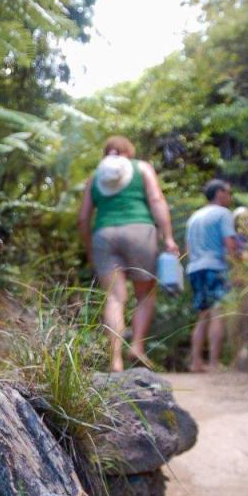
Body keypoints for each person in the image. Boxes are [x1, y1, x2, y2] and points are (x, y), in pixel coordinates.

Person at [79, 136, 179, 373]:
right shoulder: (142, 168)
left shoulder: (95, 177)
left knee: (114, 298)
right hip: (139, 231)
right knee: (145, 293)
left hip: (103, 235)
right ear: (128, 152)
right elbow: (156, 199)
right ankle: (136, 346)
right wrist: (168, 237)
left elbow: (83, 217)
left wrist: (90, 248)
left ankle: (115, 360)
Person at [186, 179, 239, 372]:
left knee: (202, 315)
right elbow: (230, 244)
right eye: (228, 193)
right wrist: (238, 267)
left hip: (195, 268)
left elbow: (188, 248)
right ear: (219, 194)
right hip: (215, 267)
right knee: (219, 313)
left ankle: (196, 362)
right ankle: (214, 363)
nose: (230, 197)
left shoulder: (194, 217)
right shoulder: (223, 214)